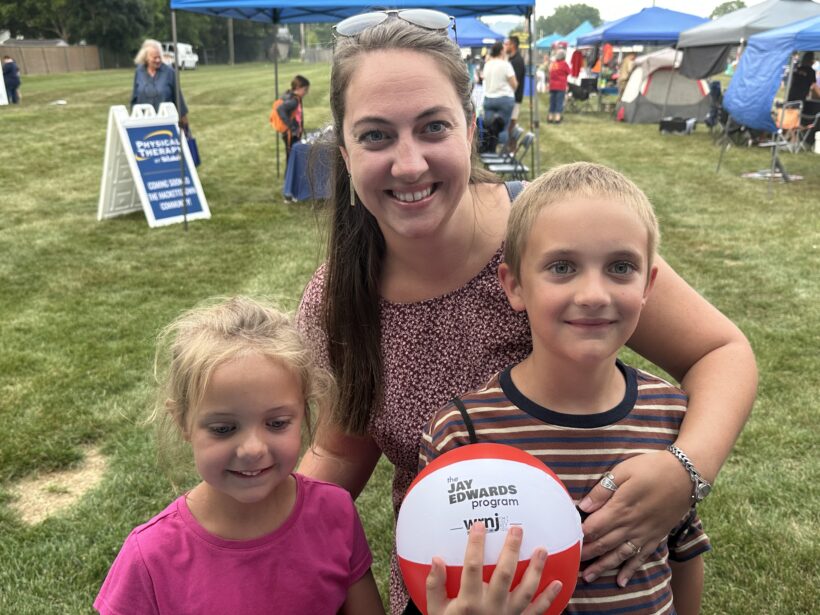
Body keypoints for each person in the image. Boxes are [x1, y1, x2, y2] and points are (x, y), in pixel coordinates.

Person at [296, 12, 756, 615]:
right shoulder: (338, 298)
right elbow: (341, 450)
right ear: (345, 152)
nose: (409, 164)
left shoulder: (554, 239)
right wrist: (247, 523)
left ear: (469, 130)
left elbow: (721, 352)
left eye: (433, 127)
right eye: (376, 136)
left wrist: (685, 472)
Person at [420, 162, 710, 615]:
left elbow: (684, 555)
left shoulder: (671, 415)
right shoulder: (462, 432)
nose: (594, 294)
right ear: (515, 285)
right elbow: (438, 578)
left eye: (620, 267)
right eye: (562, 267)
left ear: (648, 285)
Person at [94, 297, 382, 614]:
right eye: (223, 429)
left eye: (277, 423)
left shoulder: (335, 512)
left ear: (304, 411)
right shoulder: (149, 556)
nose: (253, 449)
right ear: (183, 422)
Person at [130, 39, 188, 127]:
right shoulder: (139, 72)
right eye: (154, 57)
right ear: (146, 58)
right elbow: (134, 98)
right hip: (143, 122)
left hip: (166, 122)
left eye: (159, 57)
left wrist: (184, 123)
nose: (157, 60)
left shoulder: (169, 72)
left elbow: (178, 98)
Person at [482, 41, 518, 147]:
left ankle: (490, 148)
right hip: (504, 98)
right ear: (501, 51)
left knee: (489, 127)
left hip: (489, 98)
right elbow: (514, 84)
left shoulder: (487, 64)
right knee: (503, 127)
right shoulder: (506, 65)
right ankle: (501, 149)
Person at [275, 74, 311, 161]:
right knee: (291, 157)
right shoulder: (293, 101)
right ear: (298, 88)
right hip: (290, 134)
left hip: (292, 133)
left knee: (292, 155)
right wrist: (292, 127)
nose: (306, 92)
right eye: (305, 89)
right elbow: (280, 109)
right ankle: (290, 170)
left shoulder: (293, 97)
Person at [504, 36, 526, 142]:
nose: (505, 46)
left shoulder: (517, 61)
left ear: (513, 45)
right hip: (510, 97)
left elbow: (514, 82)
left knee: (511, 124)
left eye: (507, 44)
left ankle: (511, 147)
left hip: (514, 97)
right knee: (509, 123)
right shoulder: (511, 59)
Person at [547, 48, 571, 124]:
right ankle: (557, 118)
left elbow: (549, 73)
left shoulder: (553, 64)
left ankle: (550, 117)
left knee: (552, 102)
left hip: (552, 85)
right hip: (561, 86)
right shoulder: (564, 64)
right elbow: (569, 72)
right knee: (559, 102)